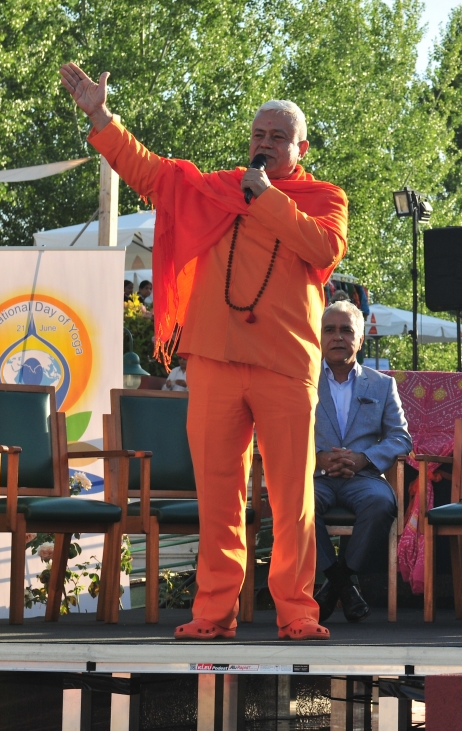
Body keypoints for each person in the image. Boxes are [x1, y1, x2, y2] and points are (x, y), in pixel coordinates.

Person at [61, 63, 348, 642]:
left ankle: (297, 612)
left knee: (292, 499)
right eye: (259, 134)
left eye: (278, 137)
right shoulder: (216, 189)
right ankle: (214, 612)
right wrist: (101, 116)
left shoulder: (323, 198)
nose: (265, 143)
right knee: (219, 497)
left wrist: (267, 198)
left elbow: (322, 249)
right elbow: (149, 171)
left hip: (286, 365)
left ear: (301, 148)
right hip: (214, 360)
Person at [313, 300, 412, 623]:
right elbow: (282, 432)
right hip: (315, 476)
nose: (337, 337)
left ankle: (335, 583)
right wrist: (317, 457)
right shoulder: (302, 381)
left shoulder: (382, 384)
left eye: (346, 330)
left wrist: (363, 458)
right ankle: (343, 584)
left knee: (382, 504)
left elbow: (400, 438)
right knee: (296, 505)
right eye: (329, 330)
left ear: (360, 339)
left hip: (364, 478)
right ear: (319, 336)